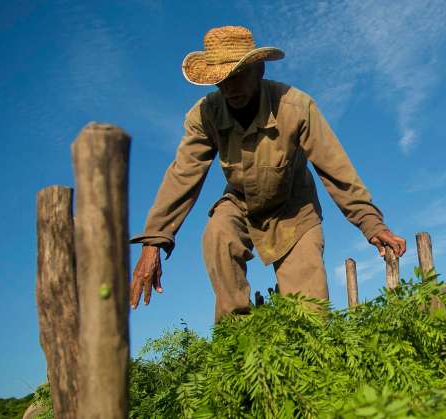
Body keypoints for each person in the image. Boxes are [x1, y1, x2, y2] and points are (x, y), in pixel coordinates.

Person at [129, 26, 406, 322]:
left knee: (310, 319)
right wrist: (154, 242)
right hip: (240, 203)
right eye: (222, 80)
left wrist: (371, 223)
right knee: (218, 233)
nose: (231, 88)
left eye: (238, 76)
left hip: (295, 209)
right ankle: (238, 341)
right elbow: (183, 176)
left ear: (258, 69)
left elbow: (336, 170)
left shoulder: (296, 107)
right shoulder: (205, 114)